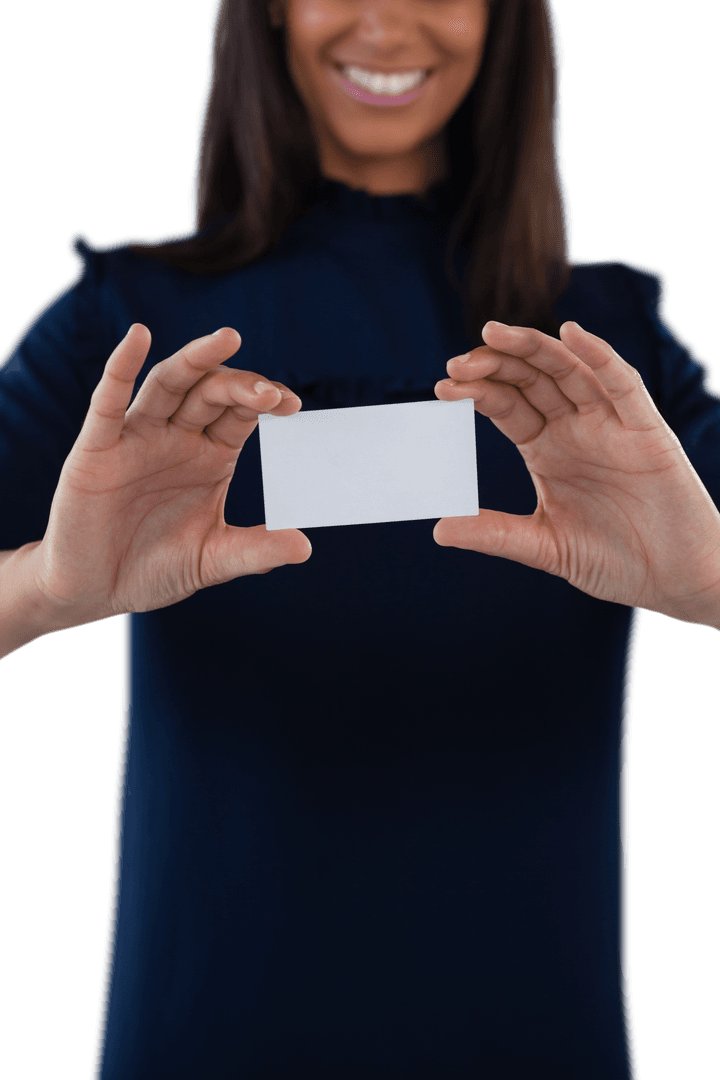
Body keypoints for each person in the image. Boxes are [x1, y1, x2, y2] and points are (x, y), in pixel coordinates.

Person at [0, 0, 718, 1076]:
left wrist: (710, 582)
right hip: (201, 1044)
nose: (388, 19)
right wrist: (48, 588)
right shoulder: (129, 325)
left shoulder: (604, 343)